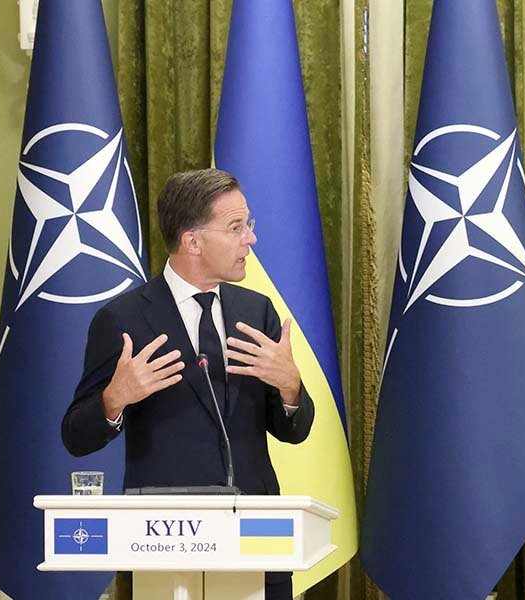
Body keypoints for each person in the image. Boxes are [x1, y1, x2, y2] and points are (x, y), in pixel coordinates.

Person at [62, 168, 315, 599]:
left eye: (248, 225)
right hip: (164, 542)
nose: (250, 239)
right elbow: (76, 436)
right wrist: (114, 400)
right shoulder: (122, 319)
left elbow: (292, 430)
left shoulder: (257, 313)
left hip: (256, 536)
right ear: (192, 241)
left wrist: (290, 388)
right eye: (236, 228)